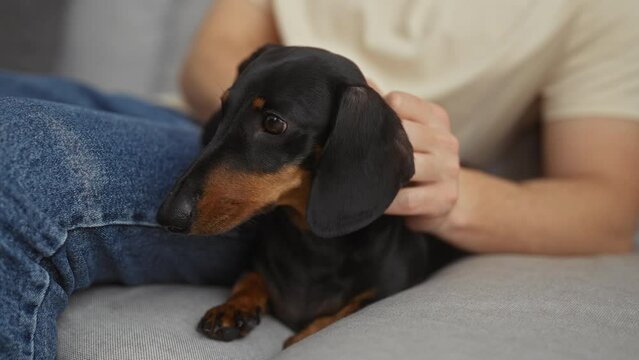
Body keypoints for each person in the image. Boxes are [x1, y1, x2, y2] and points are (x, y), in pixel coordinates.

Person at [1, 0, 637, 359]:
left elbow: (607, 206)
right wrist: (258, 110)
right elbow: (212, 63)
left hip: (331, 190)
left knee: (15, 154)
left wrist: (443, 193)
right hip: (197, 123)